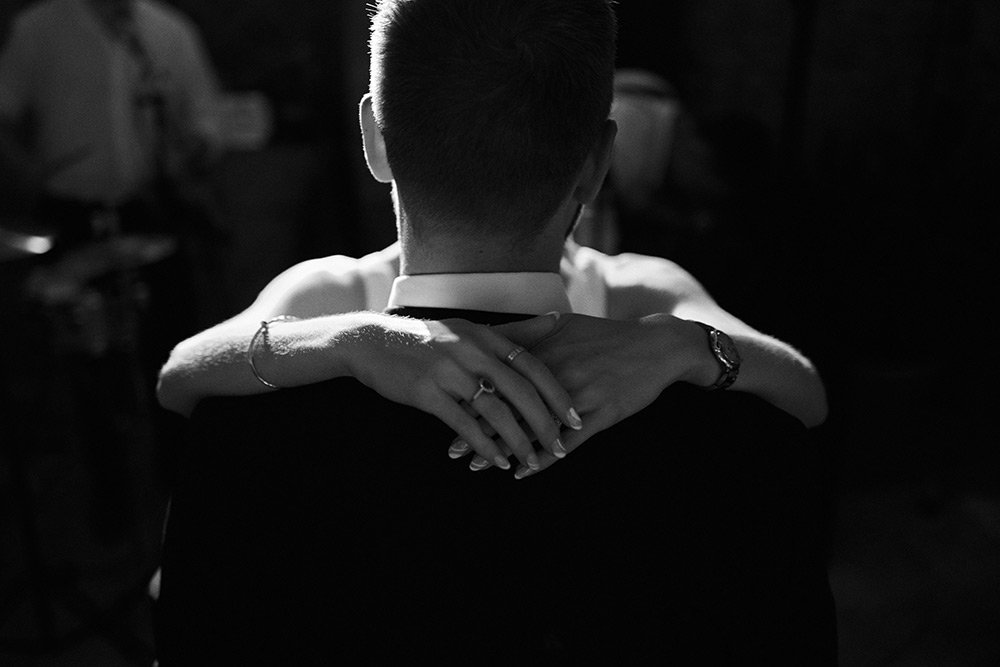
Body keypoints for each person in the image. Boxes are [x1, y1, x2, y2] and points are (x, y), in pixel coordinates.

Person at [152, 1, 837, 663]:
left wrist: (677, 338)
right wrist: (359, 340)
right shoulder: (738, 444)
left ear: (374, 137)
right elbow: (803, 401)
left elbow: (181, 382)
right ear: (598, 162)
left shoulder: (250, 428)